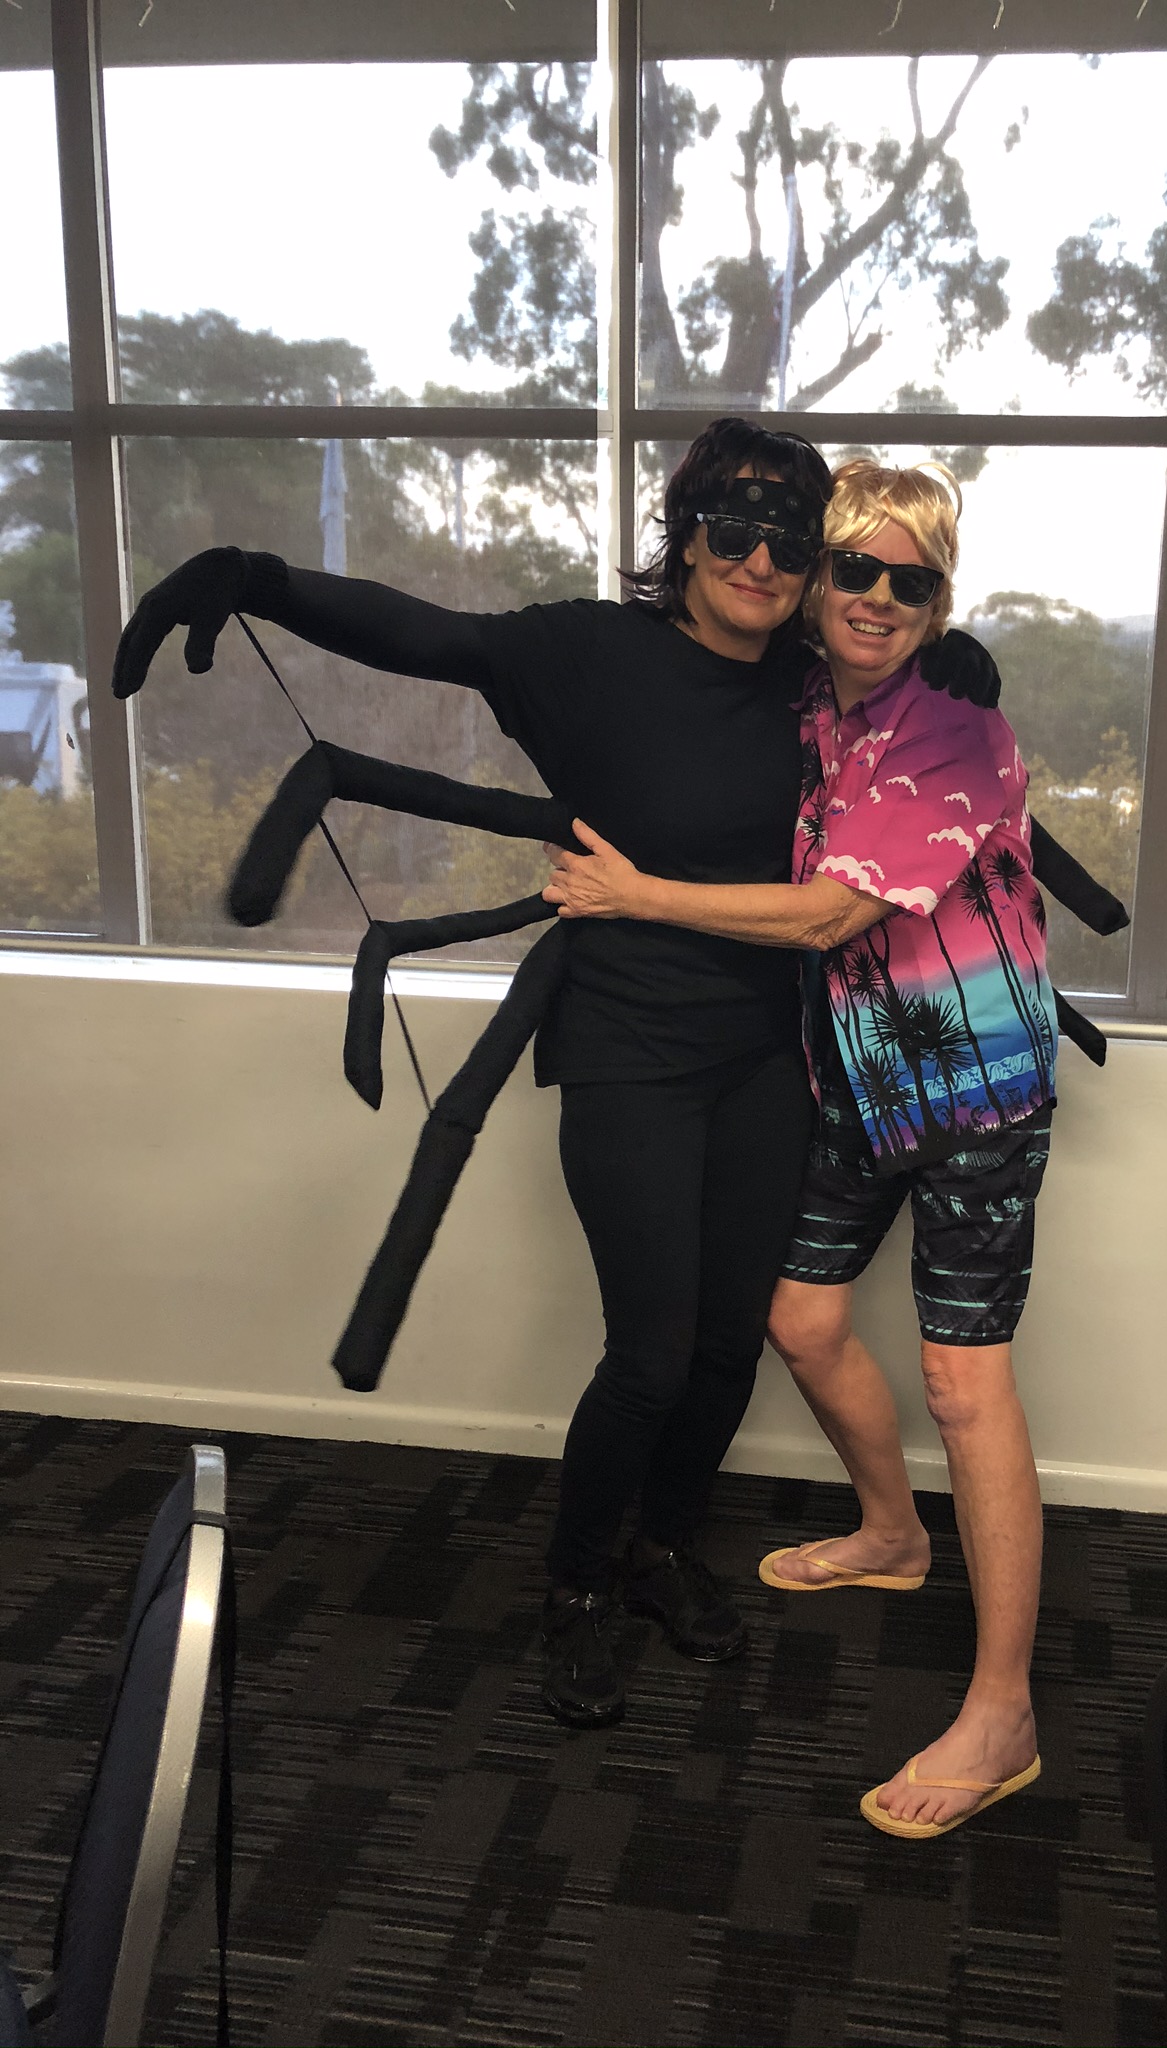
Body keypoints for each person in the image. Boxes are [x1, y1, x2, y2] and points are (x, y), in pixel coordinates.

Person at [110, 421, 1004, 1732]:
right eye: (732, 530)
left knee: (726, 1347)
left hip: (769, 1055)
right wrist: (256, 577)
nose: (759, 562)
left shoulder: (813, 683)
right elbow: (429, 636)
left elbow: (904, 703)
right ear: (685, 537)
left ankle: (660, 1548)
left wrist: (958, 670)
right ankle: (579, 1585)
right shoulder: (589, 654)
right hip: (630, 1050)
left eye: (786, 541)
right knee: (650, 1352)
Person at [542, 459, 1060, 1834]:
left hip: (975, 1096)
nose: (879, 598)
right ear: (818, 579)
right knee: (800, 1319)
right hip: (854, 1083)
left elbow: (833, 915)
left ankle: (1004, 1709)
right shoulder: (811, 705)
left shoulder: (952, 728)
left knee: (964, 1385)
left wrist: (632, 895)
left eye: (914, 581)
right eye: (857, 570)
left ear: (941, 601)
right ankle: (892, 1534)